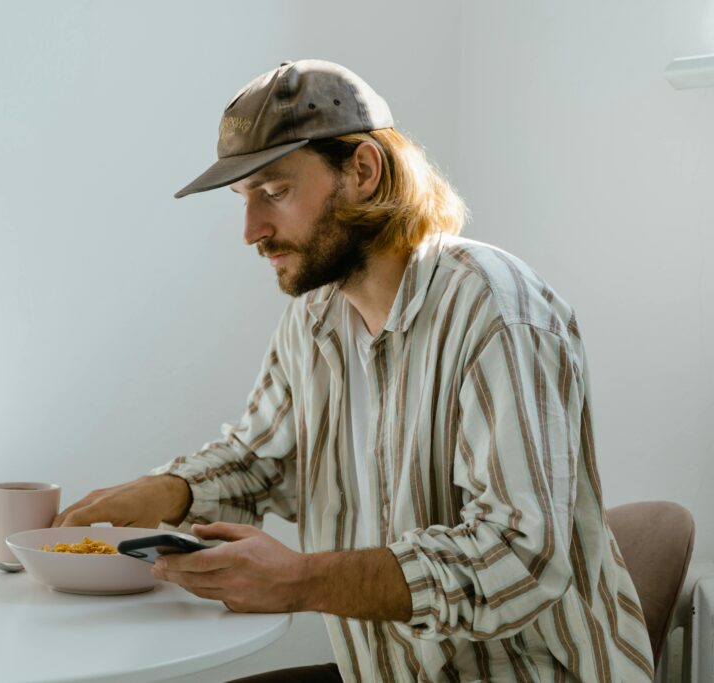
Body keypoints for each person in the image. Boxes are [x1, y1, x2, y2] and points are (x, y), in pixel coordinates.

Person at [53, 59, 654, 682]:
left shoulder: (498, 312)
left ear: (363, 171)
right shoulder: (315, 317)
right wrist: (167, 490)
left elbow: (517, 556)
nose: (252, 231)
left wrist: (301, 580)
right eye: (244, 198)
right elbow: (265, 456)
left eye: (275, 192)